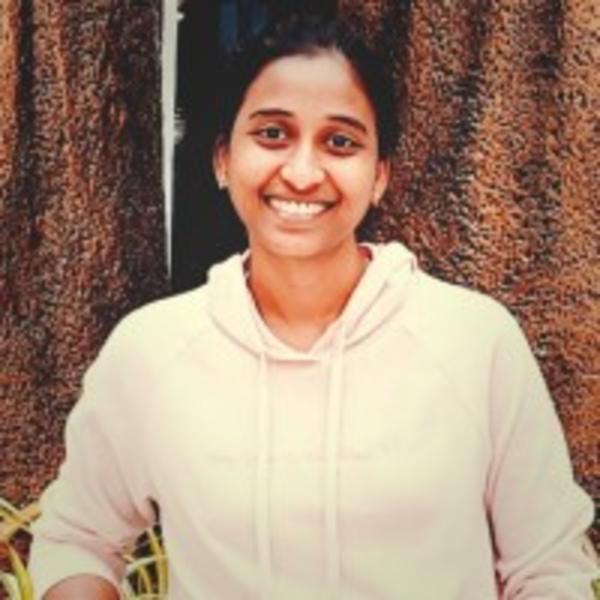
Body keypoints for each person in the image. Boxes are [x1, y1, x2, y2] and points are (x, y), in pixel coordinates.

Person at [30, 13, 599, 600]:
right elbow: (78, 538)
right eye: (272, 134)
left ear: (379, 176)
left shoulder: (473, 341)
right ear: (223, 159)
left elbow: (548, 565)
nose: (302, 173)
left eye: (340, 142)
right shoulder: (152, 352)